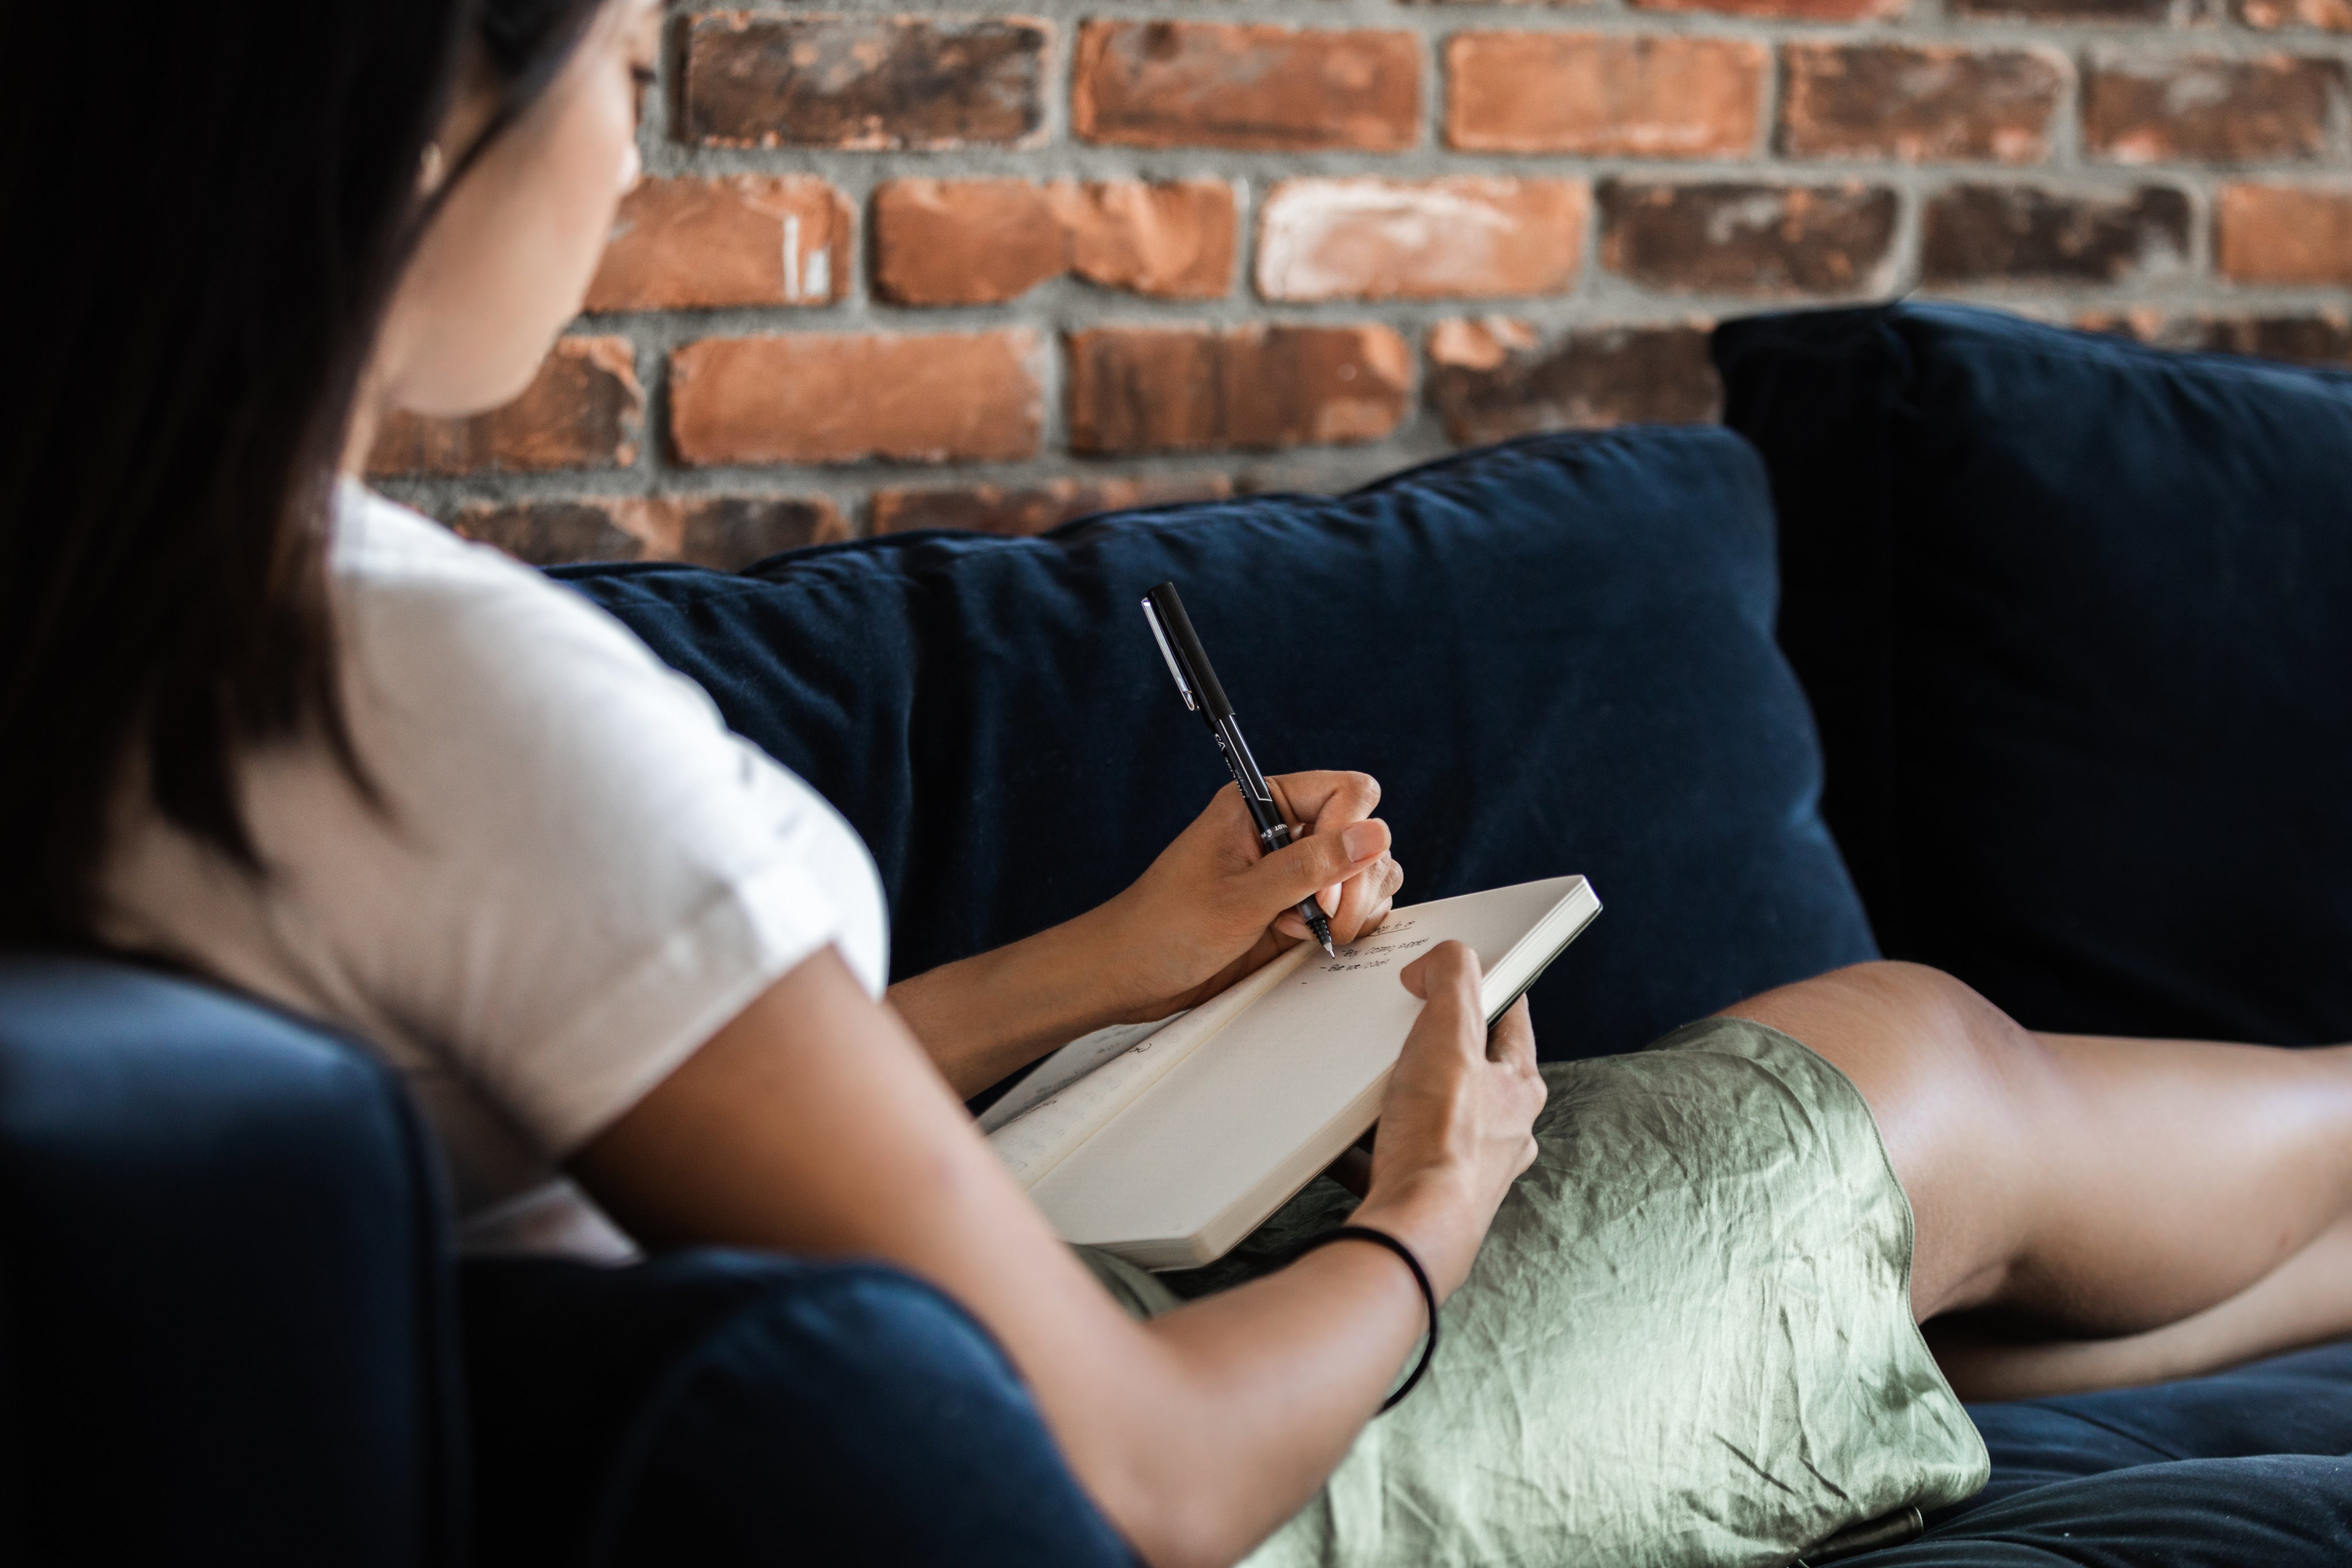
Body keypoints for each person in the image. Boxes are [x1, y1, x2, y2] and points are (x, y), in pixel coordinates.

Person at [9, 2, 2352, 1563]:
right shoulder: (443, 689)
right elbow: (1131, 1482)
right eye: (628, 59)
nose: (639, 142)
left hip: (951, 1338)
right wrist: (1420, 1215)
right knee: (1906, 1059)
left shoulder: (129, 633)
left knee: (1912, 1233)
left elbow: (594, 1090)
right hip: (1192, 1455)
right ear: (430, 120)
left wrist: (1107, 969)